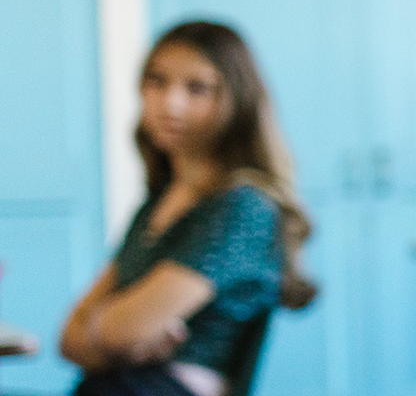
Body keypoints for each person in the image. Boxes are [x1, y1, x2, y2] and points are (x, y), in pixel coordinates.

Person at [61, 21, 319, 396]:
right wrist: (116, 337)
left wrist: (102, 329)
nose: (170, 103)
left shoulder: (242, 208)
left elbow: (117, 331)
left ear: (237, 100)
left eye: (197, 88)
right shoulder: (156, 204)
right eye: (156, 81)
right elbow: (68, 341)